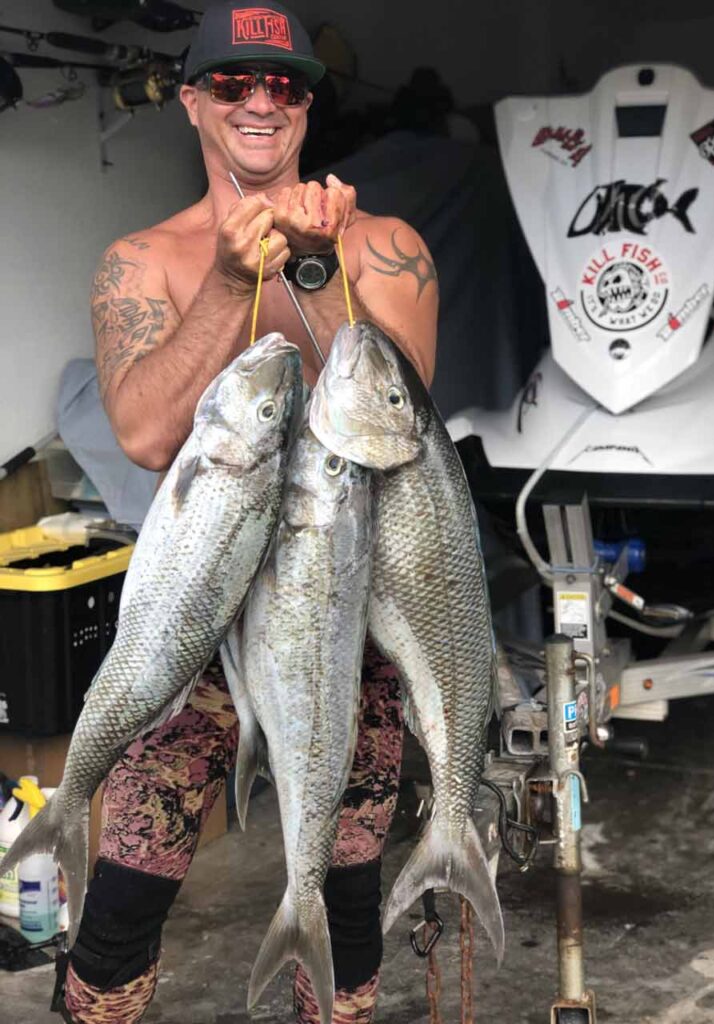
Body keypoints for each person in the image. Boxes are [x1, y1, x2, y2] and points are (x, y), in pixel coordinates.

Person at [56, 3, 438, 1023]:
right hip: (190, 610)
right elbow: (143, 433)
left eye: (286, 84)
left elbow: (399, 427)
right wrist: (232, 281)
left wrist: (316, 270)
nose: (261, 101)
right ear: (190, 101)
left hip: (340, 615)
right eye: (232, 83)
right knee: (127, 885)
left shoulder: (387, 247)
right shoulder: (143, 262)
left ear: (309, 104)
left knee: (344, 879)